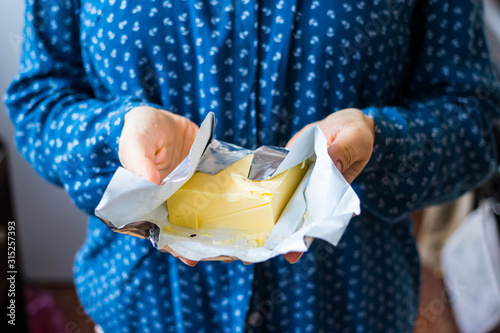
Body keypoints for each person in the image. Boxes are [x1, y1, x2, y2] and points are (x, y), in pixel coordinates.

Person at [5, 0, 500, 331]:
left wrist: (380, 142)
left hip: (348, 304)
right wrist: (116, 133)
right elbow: (37, 101)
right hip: (147, 308)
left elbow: (477, 117)